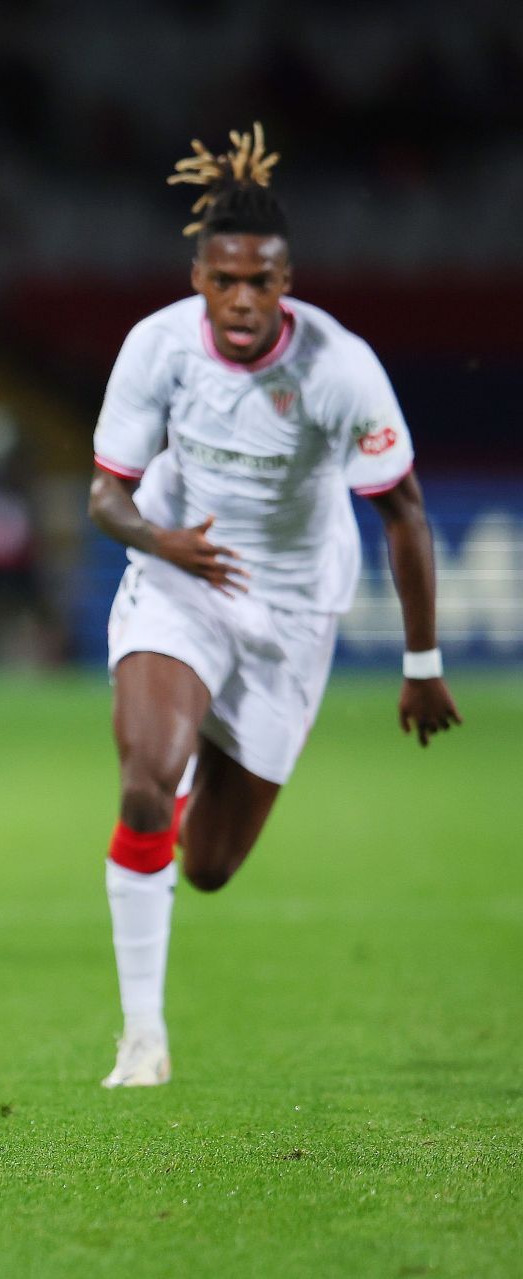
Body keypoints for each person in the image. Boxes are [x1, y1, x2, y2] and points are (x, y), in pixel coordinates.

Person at [87, 125, 461, 1088]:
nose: (243, 300)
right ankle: (142, 1037)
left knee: (206, 866)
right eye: (224, 280)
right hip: (183, 576)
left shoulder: (340, 367)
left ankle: (196, 758)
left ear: (286, 279)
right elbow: (106, 495)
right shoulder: (158, 346)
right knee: (143, 783)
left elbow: (405, 514)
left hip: (292, 611)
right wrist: (157, 540)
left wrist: (422, 668)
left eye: (261, 281)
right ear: (200, 277)